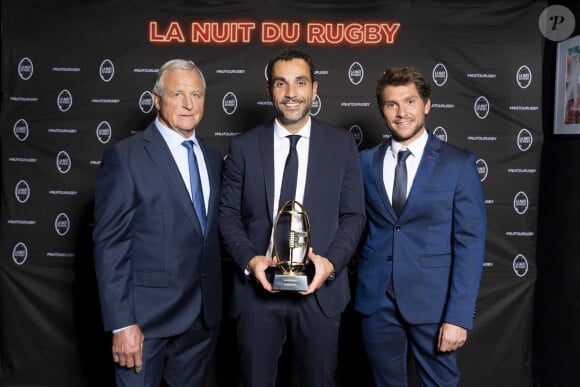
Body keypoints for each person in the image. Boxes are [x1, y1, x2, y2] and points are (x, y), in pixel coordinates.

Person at [219, 49, 366, 387]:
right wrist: (250, 260)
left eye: (300, 83)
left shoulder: (342, 145)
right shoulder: (243, 146)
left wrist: (331, 264)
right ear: (270, 90)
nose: (291, 93)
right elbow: (227, 215)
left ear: (314, 89)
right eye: (281, 83)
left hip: (319, 291)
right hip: (258, 292)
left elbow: (354, 215)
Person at [92, 59, 223, 386]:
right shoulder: (126, 157)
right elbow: (110, 245)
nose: (188, 104)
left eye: (196, 94)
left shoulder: (211, 156)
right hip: (145, 324)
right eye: (177, 94)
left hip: (201, 320)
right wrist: (123, 325)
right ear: (156, 99)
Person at [354, 66, 487, 387]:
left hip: (435, 303)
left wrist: (458, 316)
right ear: (382, 110)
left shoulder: (458, 163)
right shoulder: (364, 162)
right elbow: (353, 223)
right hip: (376, 302)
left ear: (427, 105)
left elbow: (470, 244)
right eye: (391, 104)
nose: (402, 113)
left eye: (410, 102)